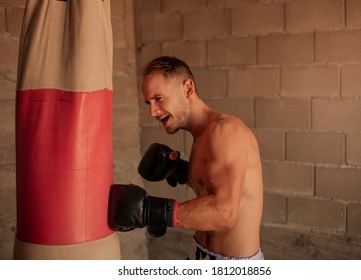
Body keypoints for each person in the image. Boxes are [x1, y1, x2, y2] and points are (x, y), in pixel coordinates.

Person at [108, 56, 264, 260]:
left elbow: (225, 212)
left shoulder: (225, 132)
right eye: (148, 102)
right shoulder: (201, 137)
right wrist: (180, 171)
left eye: (159, 98)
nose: (152, 111)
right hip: (199, 253)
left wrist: (152, 211)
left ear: (188, 88)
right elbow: (211, 188)